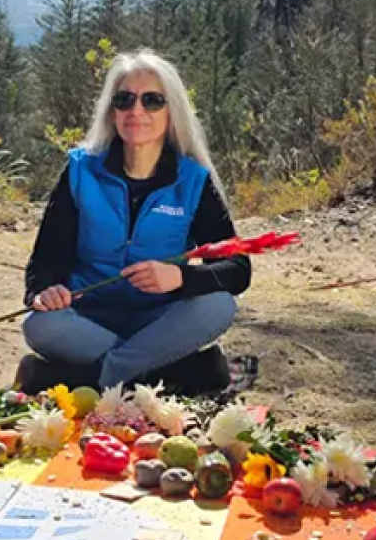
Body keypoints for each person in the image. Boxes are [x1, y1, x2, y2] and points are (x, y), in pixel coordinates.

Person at [20, 49, 251, 392]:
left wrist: (179, 277)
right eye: (125, 99)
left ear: (172, 112)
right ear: (112, 111)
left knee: (218, 305)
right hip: (88, 320)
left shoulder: (193, 181)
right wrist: (44, 292)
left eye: (152, 101)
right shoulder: (80, 171)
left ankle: (97, 378)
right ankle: (168, 372)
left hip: (158, 323)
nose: (136, 111)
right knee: (39, 325)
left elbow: (237, 270)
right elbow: (45, 261)